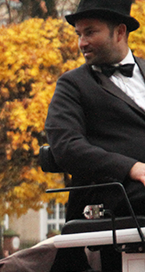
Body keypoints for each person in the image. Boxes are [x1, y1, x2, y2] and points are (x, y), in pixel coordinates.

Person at [45, 0, 145, 222]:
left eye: (90, 33)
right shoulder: (72, 84)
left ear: (120, 32)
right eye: (79, 34)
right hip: (111, 198)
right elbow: (66, 146)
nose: (82, 43)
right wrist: (132, 168)